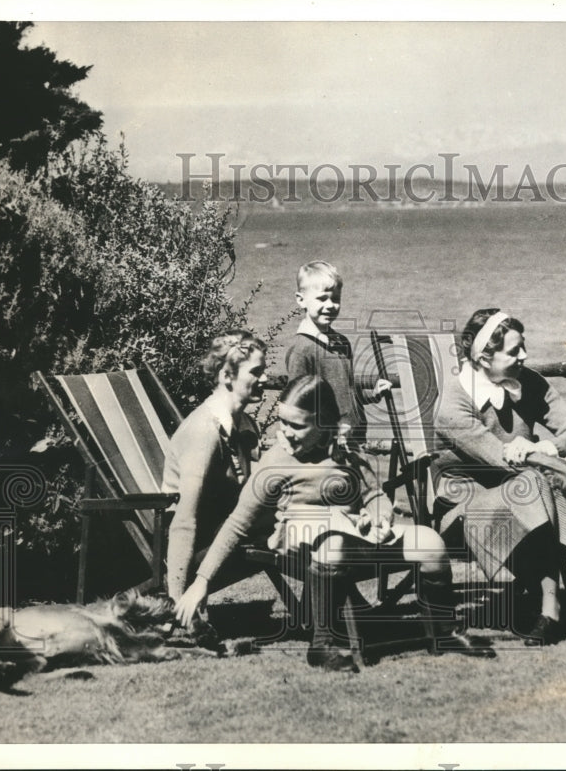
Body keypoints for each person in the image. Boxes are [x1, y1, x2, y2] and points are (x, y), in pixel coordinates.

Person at [174, 375, 494, 672]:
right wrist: (201, 582)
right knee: (333, 539)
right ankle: (322, 644)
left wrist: (379, 516)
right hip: (297, 536)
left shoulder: (345, 454)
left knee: (430, 543)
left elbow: (375, 496)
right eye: (282, 422)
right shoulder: (275, 462)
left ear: (324, 423)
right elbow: (236, 525)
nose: (283, 432)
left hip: (352, 535)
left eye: (295, 425)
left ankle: (445, 633)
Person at [433, 308, 566, 645]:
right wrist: (533, 454)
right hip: (465, 502)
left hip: (522, 492)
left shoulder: (530, 383)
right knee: (536, 484)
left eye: (523, 347)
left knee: (534, 486)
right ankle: (553, 608)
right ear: (483, 357)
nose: (524, 355)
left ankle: (547, 610)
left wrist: (547, 446)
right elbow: (502, 462)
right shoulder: (454, 405)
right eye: (514, 351)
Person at [162, 331, 268, 600]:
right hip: (195, 545)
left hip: (226, 529)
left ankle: (337, 606)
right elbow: (184, 520)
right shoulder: (204, 431)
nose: (265, 379)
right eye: (256, 372)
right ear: (226, 376)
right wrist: (177, 597)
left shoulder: (244, 424)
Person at [284, 260, 391, 445]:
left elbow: (345, 391)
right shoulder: (301, 349)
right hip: (325, 444)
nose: (331, 305)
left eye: (335, 299)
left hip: (355, 438)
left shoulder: (342, 343)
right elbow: (297, 407)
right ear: (301, 300)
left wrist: (372, 394)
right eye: (322, 298)